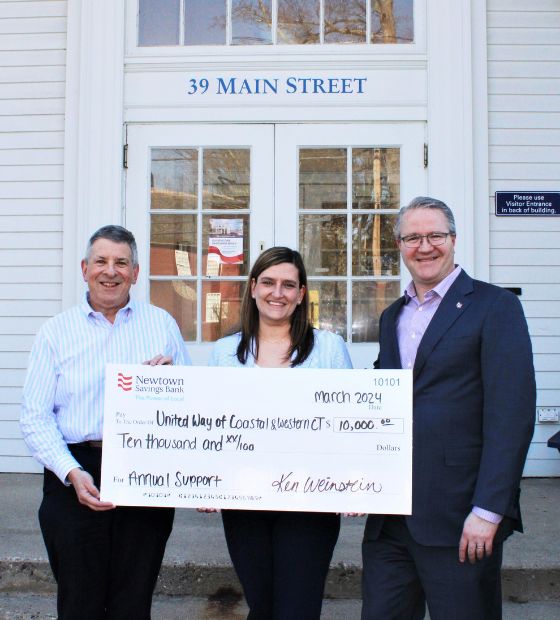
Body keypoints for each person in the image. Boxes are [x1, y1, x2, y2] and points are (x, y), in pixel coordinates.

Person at [361, 197, 536, 620]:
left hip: (460, 518)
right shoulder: (392, 316)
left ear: (454, 240)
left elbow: (511, 415)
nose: (425, 246)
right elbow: (384, 398)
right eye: (412, 237)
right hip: (391, 519)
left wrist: (489, 510)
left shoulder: (495, 307)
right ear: (399, 245)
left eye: (435, 235)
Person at [20, 225, 191, 620]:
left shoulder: (162, 324)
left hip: (144, 467)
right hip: (75, 468)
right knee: (80, 602)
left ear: (135, 271)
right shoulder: (55, 332)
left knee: (134, 599)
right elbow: (34, 417)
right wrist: (71, 472)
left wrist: (175, 380)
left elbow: (190, 407)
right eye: (101, 261)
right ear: (84, 269)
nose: (110, 271)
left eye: (121, 262)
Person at [208, 246, 353, 620]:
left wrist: (357, 481)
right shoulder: (224, 353)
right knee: (262, 604)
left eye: (289, 285)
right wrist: (205, 480)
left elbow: (352, 422)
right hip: (244, 500)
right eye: (269, 282)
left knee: (297, 608)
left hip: (309, 501)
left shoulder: (329, 349)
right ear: (253, 287)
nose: (278, 293)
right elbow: (211, 421)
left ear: (302, 294)